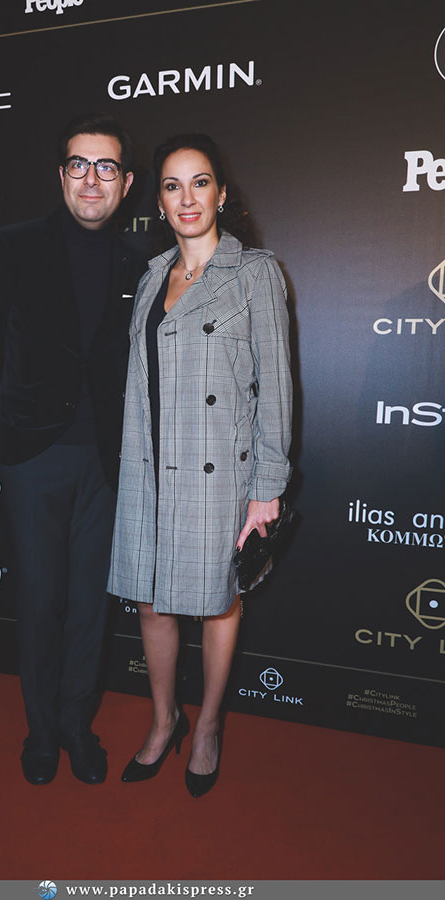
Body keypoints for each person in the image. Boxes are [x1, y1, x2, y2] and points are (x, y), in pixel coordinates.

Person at [0, 113, 145, 786]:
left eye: (106, 167)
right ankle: (40, 732)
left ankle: (75, 727)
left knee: (92, 605)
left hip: (110, 466)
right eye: (79, 165)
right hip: (34, 458)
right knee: (40, 602)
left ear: (125, 184)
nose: (92, 179)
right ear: (61, 175)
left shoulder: (139, 261)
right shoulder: (14, 246)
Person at [108, 133, 292, 797]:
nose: (187, 197)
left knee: (217, 605)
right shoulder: (152, 276)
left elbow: (277, 385)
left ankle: (208, 724)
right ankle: (165, 720)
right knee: (151, 602)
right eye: (172, 185)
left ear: (221, 193)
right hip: (149, 466)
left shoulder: (255, 272)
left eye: (200, 182)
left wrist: (267, 488)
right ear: (159, 201)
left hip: (219, 470)